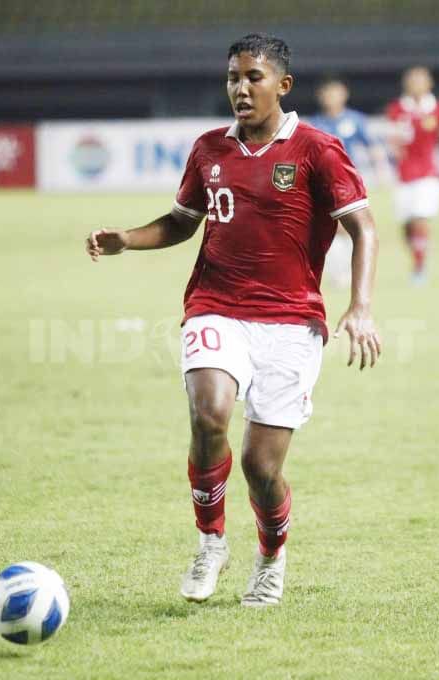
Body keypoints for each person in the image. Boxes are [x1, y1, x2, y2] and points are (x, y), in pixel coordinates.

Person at [85, 34, 382, 608]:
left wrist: (361, 305)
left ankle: (270, 556)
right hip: (215, 304)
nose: (240, 89)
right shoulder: (207, 150)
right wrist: (126, 238)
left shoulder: (318, 150)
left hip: (292, 321)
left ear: (283, 86)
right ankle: (210, 541)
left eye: (253, 78)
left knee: (260, 467)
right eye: (232, 79)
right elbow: (180, 222)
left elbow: (363, 228)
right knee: (210, 412)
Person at [308, 76, 388, 289]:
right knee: (332, 228)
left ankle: (345, 272)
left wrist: (381, 172)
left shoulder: (355, 120)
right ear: (321, 97)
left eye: (336, 93)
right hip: (322, 183)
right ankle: (339, 273)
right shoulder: (316, 124)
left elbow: (373, 146)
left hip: (349, 182)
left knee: (350, 226)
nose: (332, 98)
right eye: (328, 94)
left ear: (344, 94)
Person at [386, 66, 439, 285]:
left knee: (421, 218)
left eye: (421, 80)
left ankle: (419, 267)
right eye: (412, 80)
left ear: (430, 83)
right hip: (403, 176)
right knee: (407, 225)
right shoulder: (397, 109)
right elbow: (392, 140)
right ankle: (417, 255)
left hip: (429, 174)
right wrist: (395, 150)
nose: (416, 84)